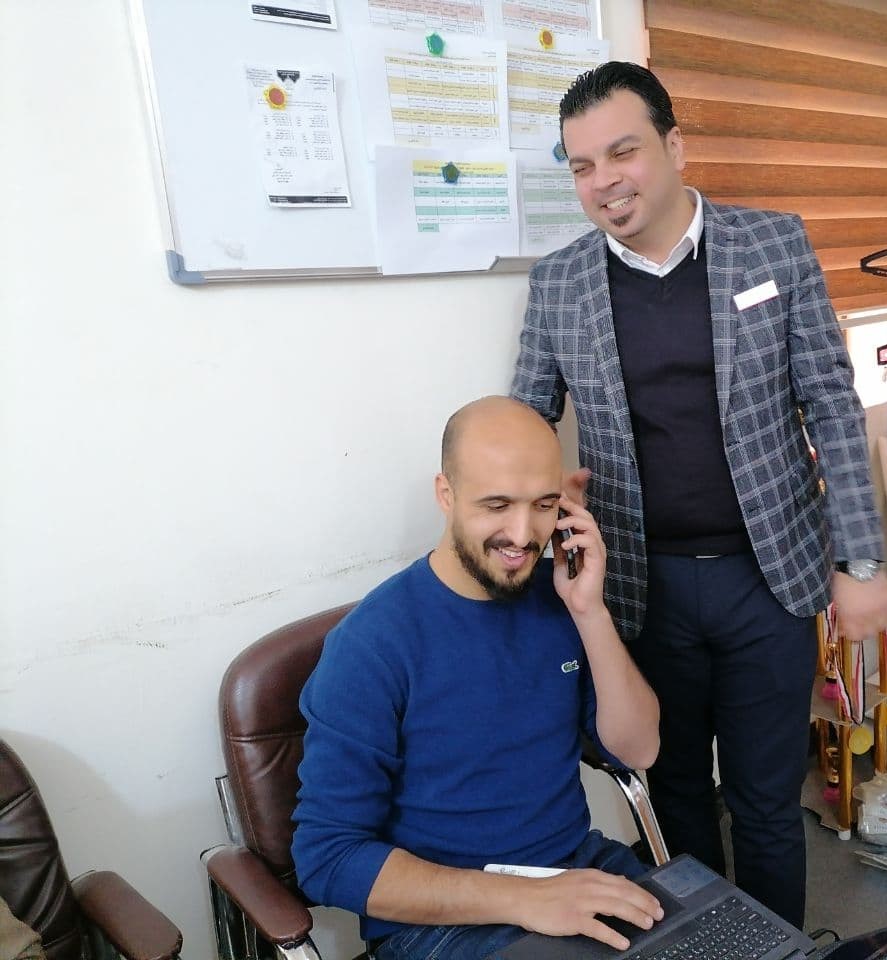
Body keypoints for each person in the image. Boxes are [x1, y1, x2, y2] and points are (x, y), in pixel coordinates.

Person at [510, 60, 887, 930]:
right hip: (642, 589)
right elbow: (528, 415)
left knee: (764, 800)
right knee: (674, 795)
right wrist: (531, 495)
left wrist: (861, 562)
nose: (604, 182)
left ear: (674, 145)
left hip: (769, 578)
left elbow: (831, 403)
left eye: (623, 152)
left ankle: (777, 947)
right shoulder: (558, 282)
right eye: (581, 166)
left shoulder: (771, 243)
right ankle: (705, 945)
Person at [293, 396, 663, 960]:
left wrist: (590, 612)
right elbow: (327, 859)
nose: (522, 533)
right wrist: (526, 899)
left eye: (543, 505)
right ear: (446, 494)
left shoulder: (560, 599)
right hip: (442, 921)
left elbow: (639, 749)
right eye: (497, 505)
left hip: (576, 869)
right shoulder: (371, 645)